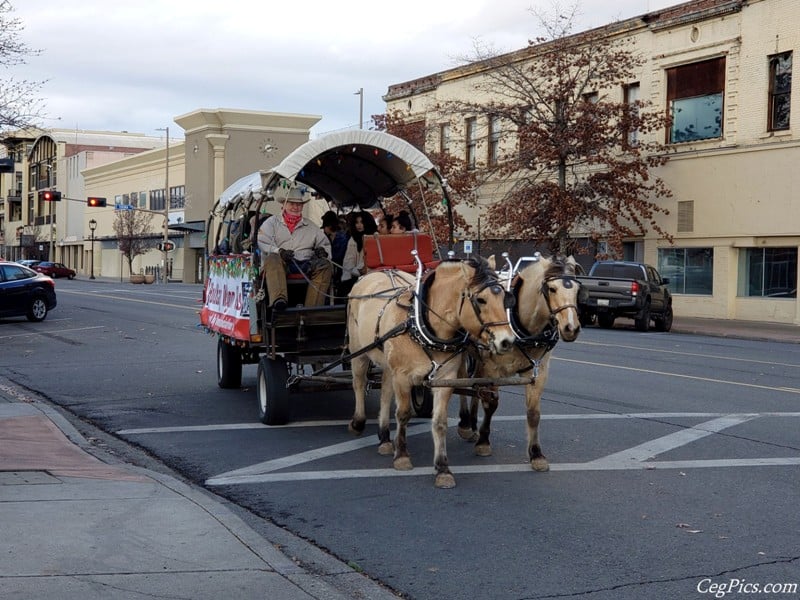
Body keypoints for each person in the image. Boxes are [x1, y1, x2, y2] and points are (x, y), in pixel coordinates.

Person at [257, 185, 332, 310]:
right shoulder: (271, 222)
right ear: (284, 204)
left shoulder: (311, 226)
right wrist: (279, 251)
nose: (295, 207)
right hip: (282, 263)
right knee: (272, 258)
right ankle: (279, 300)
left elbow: (324, 244)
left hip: (305, 263)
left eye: (299, 204)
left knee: (325, 265)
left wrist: (323, 251)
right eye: (292, 203)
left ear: (302, 206)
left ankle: (312, 308)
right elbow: (262, 242)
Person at [339, 211, 377, 297]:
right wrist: (350, 273)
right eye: (357, 222)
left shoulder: (374, 237)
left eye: (362, 222)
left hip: (369, 274)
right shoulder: (353, 238)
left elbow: (370, 259)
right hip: (354, 275)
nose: (359, 225)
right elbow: (348, 259)